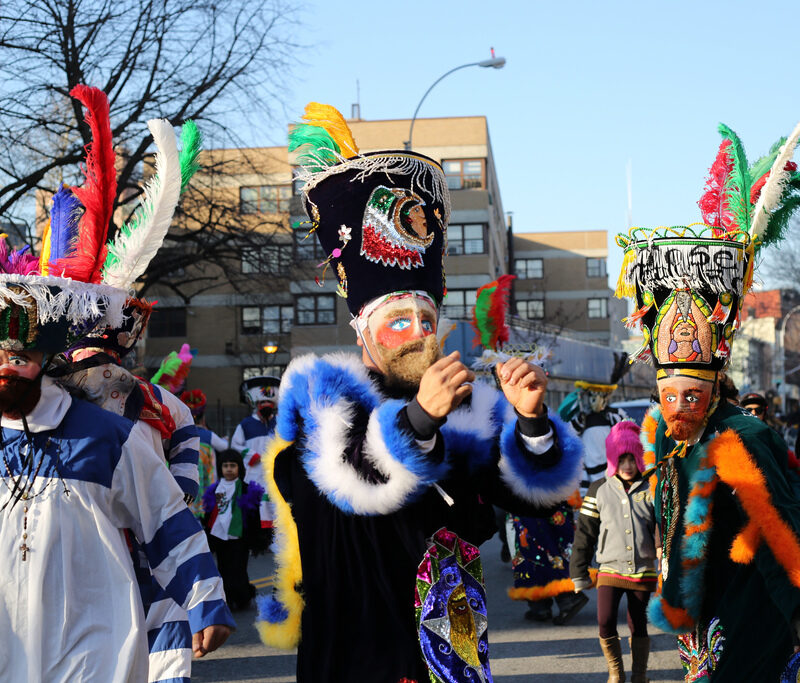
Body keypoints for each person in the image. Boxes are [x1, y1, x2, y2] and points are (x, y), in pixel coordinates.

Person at [255, 103, 584, 682]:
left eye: (427, 320)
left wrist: (530, 422)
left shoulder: (465, 414)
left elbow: (538, 507)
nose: (418, 336)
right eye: (398, 321)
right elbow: (345, 487)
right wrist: (417, 422)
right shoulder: (321, 405)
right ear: (363, 334)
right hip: (359, 654)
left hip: (450, 653)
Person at [0, 84, 233, 681]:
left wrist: (201, 593)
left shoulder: (123, 427)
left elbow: (167, 510)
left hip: (101, 622)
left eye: (21, 347)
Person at [615, 121, 800, 680]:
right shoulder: (677, 444)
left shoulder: (743, 439)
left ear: (716, 383)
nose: (678, 408)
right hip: (705, 638)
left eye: (691, 394)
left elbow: (781, 541)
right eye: (668, 395)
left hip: (750, 638)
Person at [570, 421, 657, 683]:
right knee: (605, 620)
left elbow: (664, 527)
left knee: (637, 622)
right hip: (609, 568)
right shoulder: (599, 489)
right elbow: (585, 532)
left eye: (632, 459)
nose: (627, 466)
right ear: (612, 460)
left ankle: (639, 674)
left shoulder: (652, 485)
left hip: (643, 569)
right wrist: (579, 571)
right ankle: (615, 672)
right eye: (621, 459)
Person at [558, 353, 630, 496]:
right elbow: (569, 434)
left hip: (612, 468)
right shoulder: (581, 418)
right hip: (589, 471)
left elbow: (627, 436)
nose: (596, 400)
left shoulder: (614, 415)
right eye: (593, 397)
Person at [203, 449, 264, 610]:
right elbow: (210, 516)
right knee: (223, 569)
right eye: (225, 466)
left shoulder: (246, 489)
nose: (229, 469)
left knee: (239, 569)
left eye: (233, 465)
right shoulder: (214, 490)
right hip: (221, 538)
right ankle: (229, 598)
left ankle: (243, 597)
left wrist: (255, 537)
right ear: (220, 468)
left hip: (240, 538)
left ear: (239, 468)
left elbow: (254, 516)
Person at [231, 375, 279, 529]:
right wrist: (251, 455)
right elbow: (235, 445)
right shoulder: (246, 424)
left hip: (276, 473)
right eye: (263, 402)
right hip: (254, 474)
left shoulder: (281, 422)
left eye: (269, 402)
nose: (266, 405)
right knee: (254, 509)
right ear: (256, 404)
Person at [182, 388, 229, 515]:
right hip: (206, 485)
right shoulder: (208, 435)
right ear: (203, 417)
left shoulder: (180, 435)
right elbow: (224, 447)